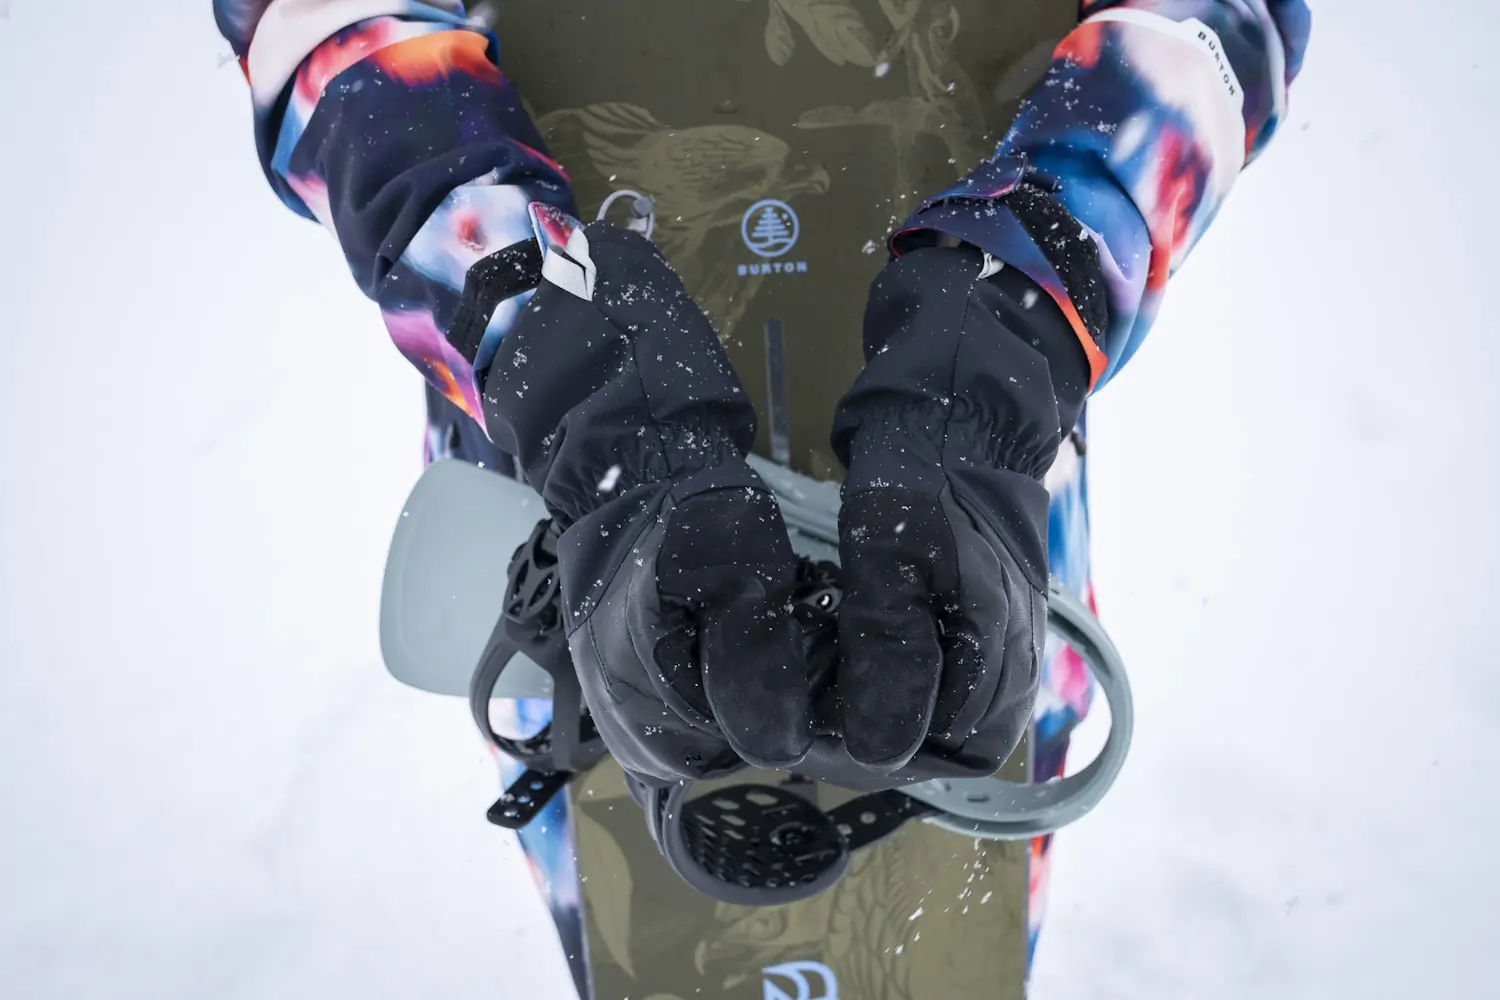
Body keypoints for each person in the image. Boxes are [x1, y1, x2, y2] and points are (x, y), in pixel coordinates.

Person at [214, 0, 1310, 989]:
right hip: (577, 510)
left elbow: (1216, 22)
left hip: (973, 498)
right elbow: (327, 27)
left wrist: (1013, 315)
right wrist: (571, 371)